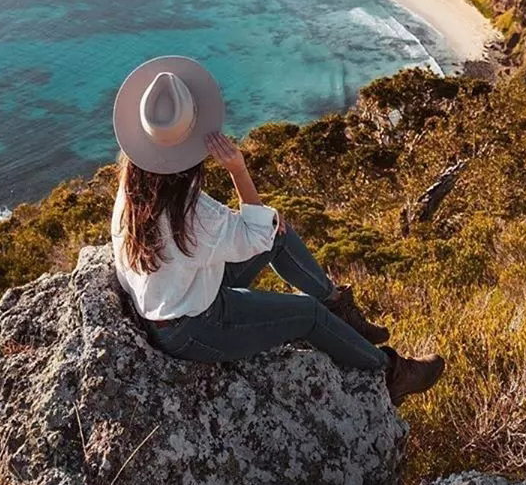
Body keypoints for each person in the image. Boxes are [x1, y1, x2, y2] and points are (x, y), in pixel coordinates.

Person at [110, 56, 445, 404]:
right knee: (306, 314)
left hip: (181, 294)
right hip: (193, 327)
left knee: (278, 234)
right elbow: (255, 235)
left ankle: (339, 309)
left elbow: (257, 233)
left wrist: (265, 226)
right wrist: (238, 170)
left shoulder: (133, 189)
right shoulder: (193, 213)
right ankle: (391, 373)